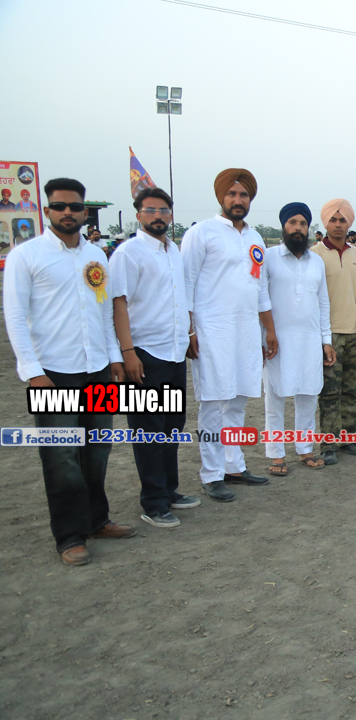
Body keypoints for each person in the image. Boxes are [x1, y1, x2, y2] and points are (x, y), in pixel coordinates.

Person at [3, 178, 131, 565]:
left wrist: (114, 358)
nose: (67, 212)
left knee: (98, 449)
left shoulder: (96, 255)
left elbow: (103, 312)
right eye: (59, 206)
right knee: (61, 455)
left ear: (84, 211)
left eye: (75, 206)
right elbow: (14, 317)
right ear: (47, 211)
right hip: (52, 372)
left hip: (97, 368)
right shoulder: (26, 256)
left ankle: (97, 520)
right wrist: (33, 372)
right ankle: (70, 536)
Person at [182, 168, 274, 502]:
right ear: (221, 196)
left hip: (246, 330)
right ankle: (211, 473)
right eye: (232, 194)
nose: (238, 200)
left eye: (243, 195)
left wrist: (269, 331)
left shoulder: (255, 237)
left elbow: (260, 289)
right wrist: (189, 329)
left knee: (237, 400)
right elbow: (185, 284)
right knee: (213, 402)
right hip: (212, 330)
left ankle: (234, 465)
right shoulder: (201, 233)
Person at [110, 187, 199, 528]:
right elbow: (119, 303)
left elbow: (180, 297)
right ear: (138, 215)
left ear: (171, 215)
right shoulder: (128, 253)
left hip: (173, 352)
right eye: (150, 210)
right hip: (144, 354)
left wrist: (188, 334)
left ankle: (169, 490)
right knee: (148, 430)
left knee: (172, 426)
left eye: (163, 210)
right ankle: (153, 502)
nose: (158, 216)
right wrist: (127, 352)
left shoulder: (173, 250)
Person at [263, 202, 335, 475]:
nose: (298, 228)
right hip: (277, 340)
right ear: (284, 226)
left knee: (308, 394)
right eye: (292, 223)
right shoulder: (269, 257)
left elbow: (323, 302)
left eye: (303, 223)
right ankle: (276, 454)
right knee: (275, 397)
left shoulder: (316, 261)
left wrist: (326, 340)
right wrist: (265, 335)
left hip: (309, 339)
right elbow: (260, 299)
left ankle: (305, 449)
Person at [311, 198, 356, 464]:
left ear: (349, 223)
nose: (338, 225)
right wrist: (322, 337)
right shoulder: (315, 255)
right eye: (333, 220)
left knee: (351, 389)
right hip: (328, 335)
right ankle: (329, 444)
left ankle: (347, 439)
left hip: (355, 332)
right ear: (325, 222)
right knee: (330, 391)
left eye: (342, 220)